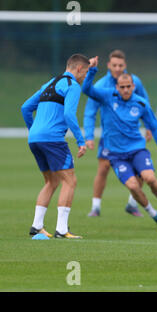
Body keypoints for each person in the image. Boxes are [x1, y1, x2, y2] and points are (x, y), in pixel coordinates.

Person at [82, 56, 157, 229]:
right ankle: (155, 215)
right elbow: (87, 90)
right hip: (116, 155)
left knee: (150, 178)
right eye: (122, 87)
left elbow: (156, 129)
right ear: (116, 87)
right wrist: (91, 70)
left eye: (129, 87)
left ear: (134, 87)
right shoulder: (106, 96)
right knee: (133, 187)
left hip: (137, 150)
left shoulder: (141, 103)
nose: (126, 90)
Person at [22, 53, 90, 239]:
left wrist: (34, 130)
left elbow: (25, 108)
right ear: (77, 69)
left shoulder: (49, 84)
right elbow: (69, 115)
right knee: (70, 181)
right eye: (85, 72)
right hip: (53, 139)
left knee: (51, 182)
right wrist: (80, 140)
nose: (84, 77)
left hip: (35, 139)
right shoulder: (72, 86)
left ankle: (37, 227)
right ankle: (61, 229)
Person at [84, 50, 153, 217]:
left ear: (125, 66)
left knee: (142, 169)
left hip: (132, 136)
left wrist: (149, 126)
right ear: (109, 66)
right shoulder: (101, 85)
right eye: (114, 65)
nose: (117, 68)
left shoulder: (134, 81)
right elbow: (90, 111)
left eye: (120, 65)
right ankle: (96, 207)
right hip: (110, 137)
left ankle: (132, 203)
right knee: (103, 168)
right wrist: (89, 136)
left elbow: (145, 104)